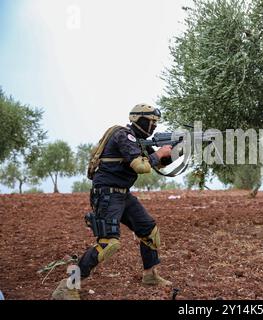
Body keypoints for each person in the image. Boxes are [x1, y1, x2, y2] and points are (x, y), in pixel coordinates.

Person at [52, 104, 174, 300]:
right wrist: (159, 153)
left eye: (156, 123)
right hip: (107, 194)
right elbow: (141, 166)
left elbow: (159, 162)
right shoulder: (124, 136)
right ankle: (67, 286)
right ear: (140, 120)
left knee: (149, 231)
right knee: (109, 244)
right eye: (152, 122)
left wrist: (176, 150)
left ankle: (150, 276)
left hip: (123, 194)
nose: (154, 126)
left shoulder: (139, 141)